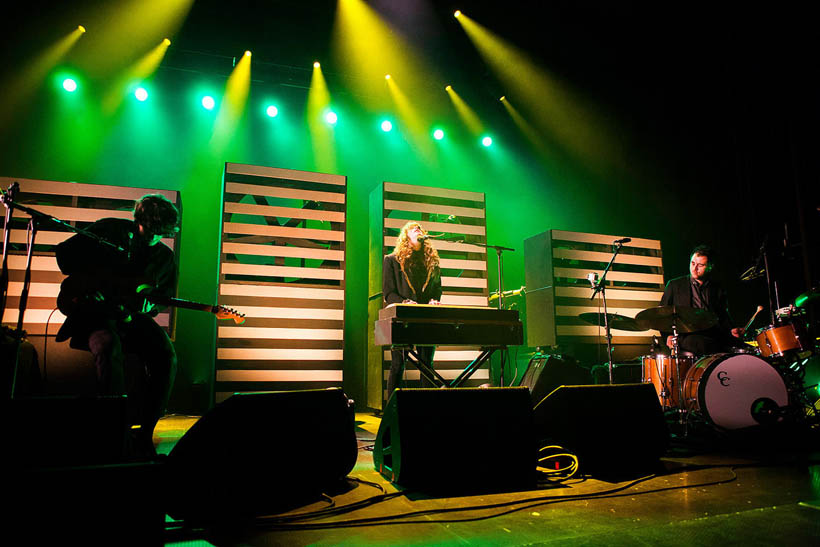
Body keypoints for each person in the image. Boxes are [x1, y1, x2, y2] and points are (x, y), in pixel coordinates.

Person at [54, 194, 179, 455]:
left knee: (166, 355)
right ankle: (113, 434)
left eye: (161, 234)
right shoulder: (111, 230)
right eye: (150, 231)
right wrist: (90, 283)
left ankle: (145, 434)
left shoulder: (164, 258)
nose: (154, 239)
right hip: (94, 313)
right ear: (139, 220)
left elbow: (162, 299)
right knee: (109, 347)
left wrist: (152, 306)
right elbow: (65, 256)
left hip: (130, 317)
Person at [382, 221, 442, 396]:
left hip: (426, 317)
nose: (418, 229)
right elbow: (388, 292)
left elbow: (437, 289)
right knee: (398, 363)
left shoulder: (432, 261)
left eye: (419, 228)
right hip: (403, 318)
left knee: (426, 364)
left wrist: (434, 300)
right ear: (405, 236)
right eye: (413, 228)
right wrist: (404, 303)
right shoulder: (392, 260)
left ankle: (428, 408)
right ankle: (393, 410)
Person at [660, 245, 743, 355]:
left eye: (700, 265)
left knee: (746, 349)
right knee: (703, 343)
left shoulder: (717, 288)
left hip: (713, 334)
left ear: (710, 266)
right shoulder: (675, 285)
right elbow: (661, 314)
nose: (694, 268)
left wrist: (732, 329)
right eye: (692, 263)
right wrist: (668, 335)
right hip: (687, 335)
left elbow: (723, 315)